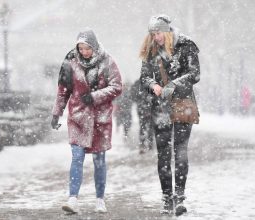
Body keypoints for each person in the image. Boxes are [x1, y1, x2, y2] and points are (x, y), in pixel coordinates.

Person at [51, 29, 122, 214]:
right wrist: (56, 113)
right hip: (78, 118)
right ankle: (72, 198)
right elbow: (63, 90)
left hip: (100, 119)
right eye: (81, 48)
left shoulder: (107, 62)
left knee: (99, 160)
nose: (84, 52)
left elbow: (117, 87)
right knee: (76, 158)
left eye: (87, 48)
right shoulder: (70, 62)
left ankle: (100, 199)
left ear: (94, 46)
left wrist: (95, 96)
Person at [139, 14, 200, 216]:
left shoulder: (186, 45)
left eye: (158, 33)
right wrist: (153, 85)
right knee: (163, 154)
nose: (156, 37)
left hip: (183, 104)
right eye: (153, 34)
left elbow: (195, 74)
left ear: (166, 31)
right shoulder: (151, 50)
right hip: (160, 107)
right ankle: (166, 197)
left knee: (180, 151)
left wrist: (174, 84)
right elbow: (144, 77)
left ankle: (180, 197)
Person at [131, 79, 154, 154]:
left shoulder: (138, 83)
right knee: (148, 126)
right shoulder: (152, 82)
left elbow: (133, 96)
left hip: (144, 108)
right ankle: (148, 144)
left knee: (144, 126)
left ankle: (144, 144)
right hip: (147, 107)